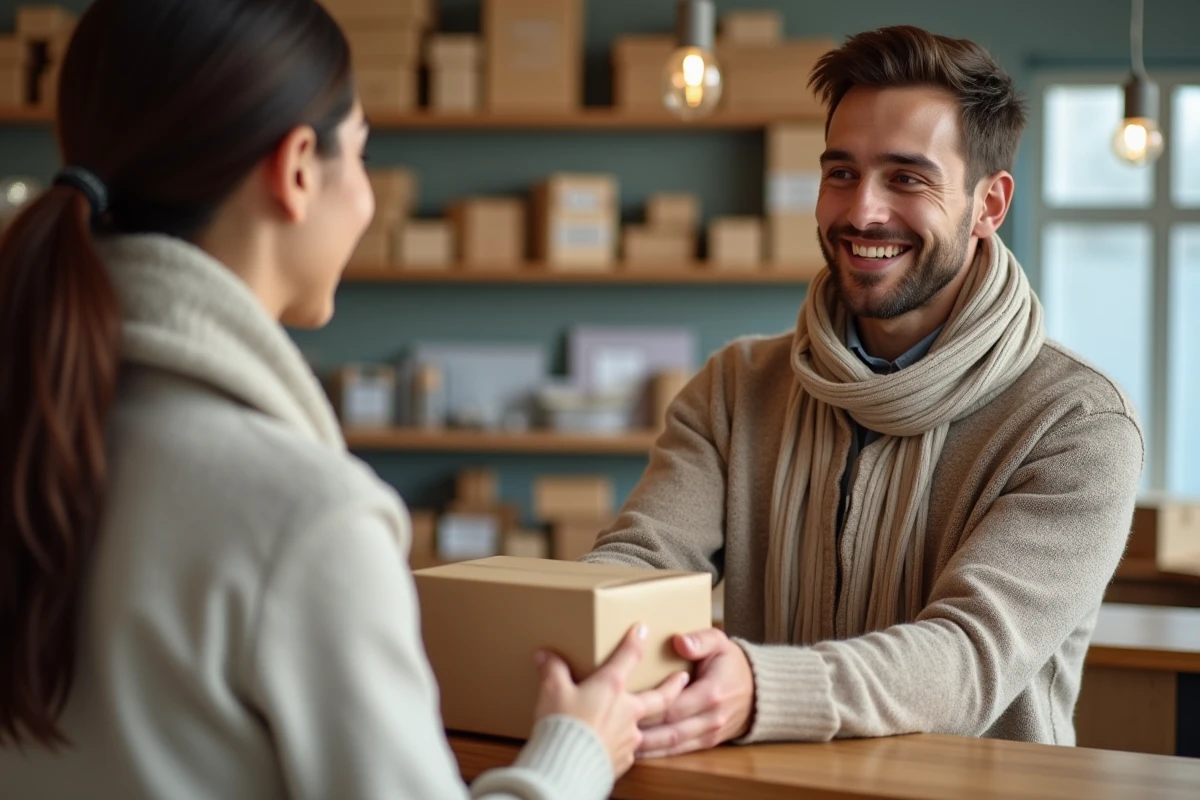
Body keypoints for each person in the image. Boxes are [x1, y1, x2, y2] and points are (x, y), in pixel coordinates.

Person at [0, 1, 688, 798]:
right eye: (360, 153)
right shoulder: (305, 518)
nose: (367, 198)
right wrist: (574, 751)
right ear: (296, 169)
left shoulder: (30, 424)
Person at [582, 25, 1144, 756]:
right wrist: (580, 625)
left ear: (989, 205)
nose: (862, 212)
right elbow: (640, 565)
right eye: (840, 172)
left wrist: (760, 688)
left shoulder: (1076, 422)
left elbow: (969, 657)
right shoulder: (734, 388)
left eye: (907, 178)